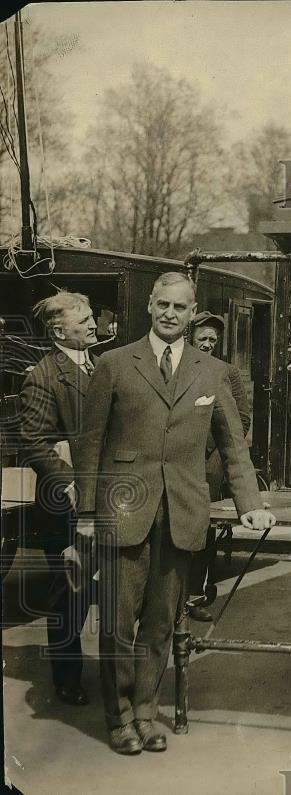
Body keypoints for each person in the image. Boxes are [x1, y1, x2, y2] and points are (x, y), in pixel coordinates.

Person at [72, 272, 276, 755]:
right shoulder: (115, 364)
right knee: (120, 621)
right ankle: (118, 717)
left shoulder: (212, 371)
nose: (169, 314)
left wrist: (251, 505)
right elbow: (89, 444)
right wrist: (84, 511)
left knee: (162, 621)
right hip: (123, 511)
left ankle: (145, 713)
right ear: (149, 305)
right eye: (162, 304)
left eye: (179, 308)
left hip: (183, 512)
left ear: (192, 312)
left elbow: (232, 445)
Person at [18, 291, 99, 706]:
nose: (93, 324)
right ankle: (66, 678)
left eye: (91, 317)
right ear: (57, 329)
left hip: (100, 495)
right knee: (71, 591)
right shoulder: (43, 376)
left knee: (95, 585)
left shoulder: (95, 366)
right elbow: (33, 443)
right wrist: (72, 479)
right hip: (64, 503)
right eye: (83, 319)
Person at [186, 311, 253, 622]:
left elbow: (242, 418)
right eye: (203, 338)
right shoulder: (177, 366)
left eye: (213, 340)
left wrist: (214, 451)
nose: (208, 344)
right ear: (191, 337)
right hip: (179, 455)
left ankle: (195, 594)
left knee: (203, 525)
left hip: (209, 460)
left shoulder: (227, 371)